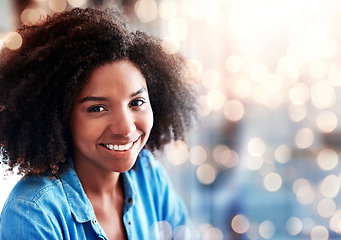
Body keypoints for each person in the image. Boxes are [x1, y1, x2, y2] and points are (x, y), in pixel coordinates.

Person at [0, 6, 196, 240]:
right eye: (97, 108)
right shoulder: (33, 212)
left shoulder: (149, 174)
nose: (125, 129)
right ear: (60, 118)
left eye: (137, 102)